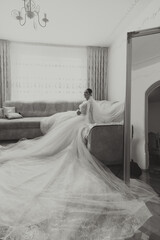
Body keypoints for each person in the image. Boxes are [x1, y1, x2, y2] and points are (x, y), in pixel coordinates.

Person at [0, 88, 159, 240]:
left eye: (85, 92)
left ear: (88, 93)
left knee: (68, 132)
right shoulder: (92, 102)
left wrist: (79, 115)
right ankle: (66, 149)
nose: (84, 94)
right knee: (66, 130)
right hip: (82, 121)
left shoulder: (88, 102)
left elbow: (85, 114)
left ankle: (66, 151)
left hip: (81, 122)